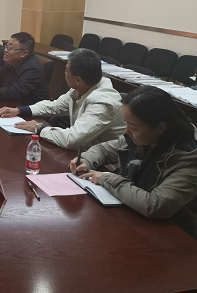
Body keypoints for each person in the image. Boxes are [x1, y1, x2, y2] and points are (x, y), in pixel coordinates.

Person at [69, 86, 197, 239]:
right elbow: (103, 150)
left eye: (133, 127)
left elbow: (154, 205)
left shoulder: (188, 159)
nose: (126, 131)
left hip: (172, 234)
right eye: (126, 123)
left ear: (160, 127)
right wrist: (86, 160)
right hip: (131, 215)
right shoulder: (143, 138)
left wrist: (107, 178)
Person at [0, 48, 125, 148]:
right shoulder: (82, 87)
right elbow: (54, 106)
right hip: (83, 153)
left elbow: (73, 139)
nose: (64, 73)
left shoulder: (103, 102)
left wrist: (39, 128)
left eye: (66, 70)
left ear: (78, 80)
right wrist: (19, 110)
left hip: (104, 165)